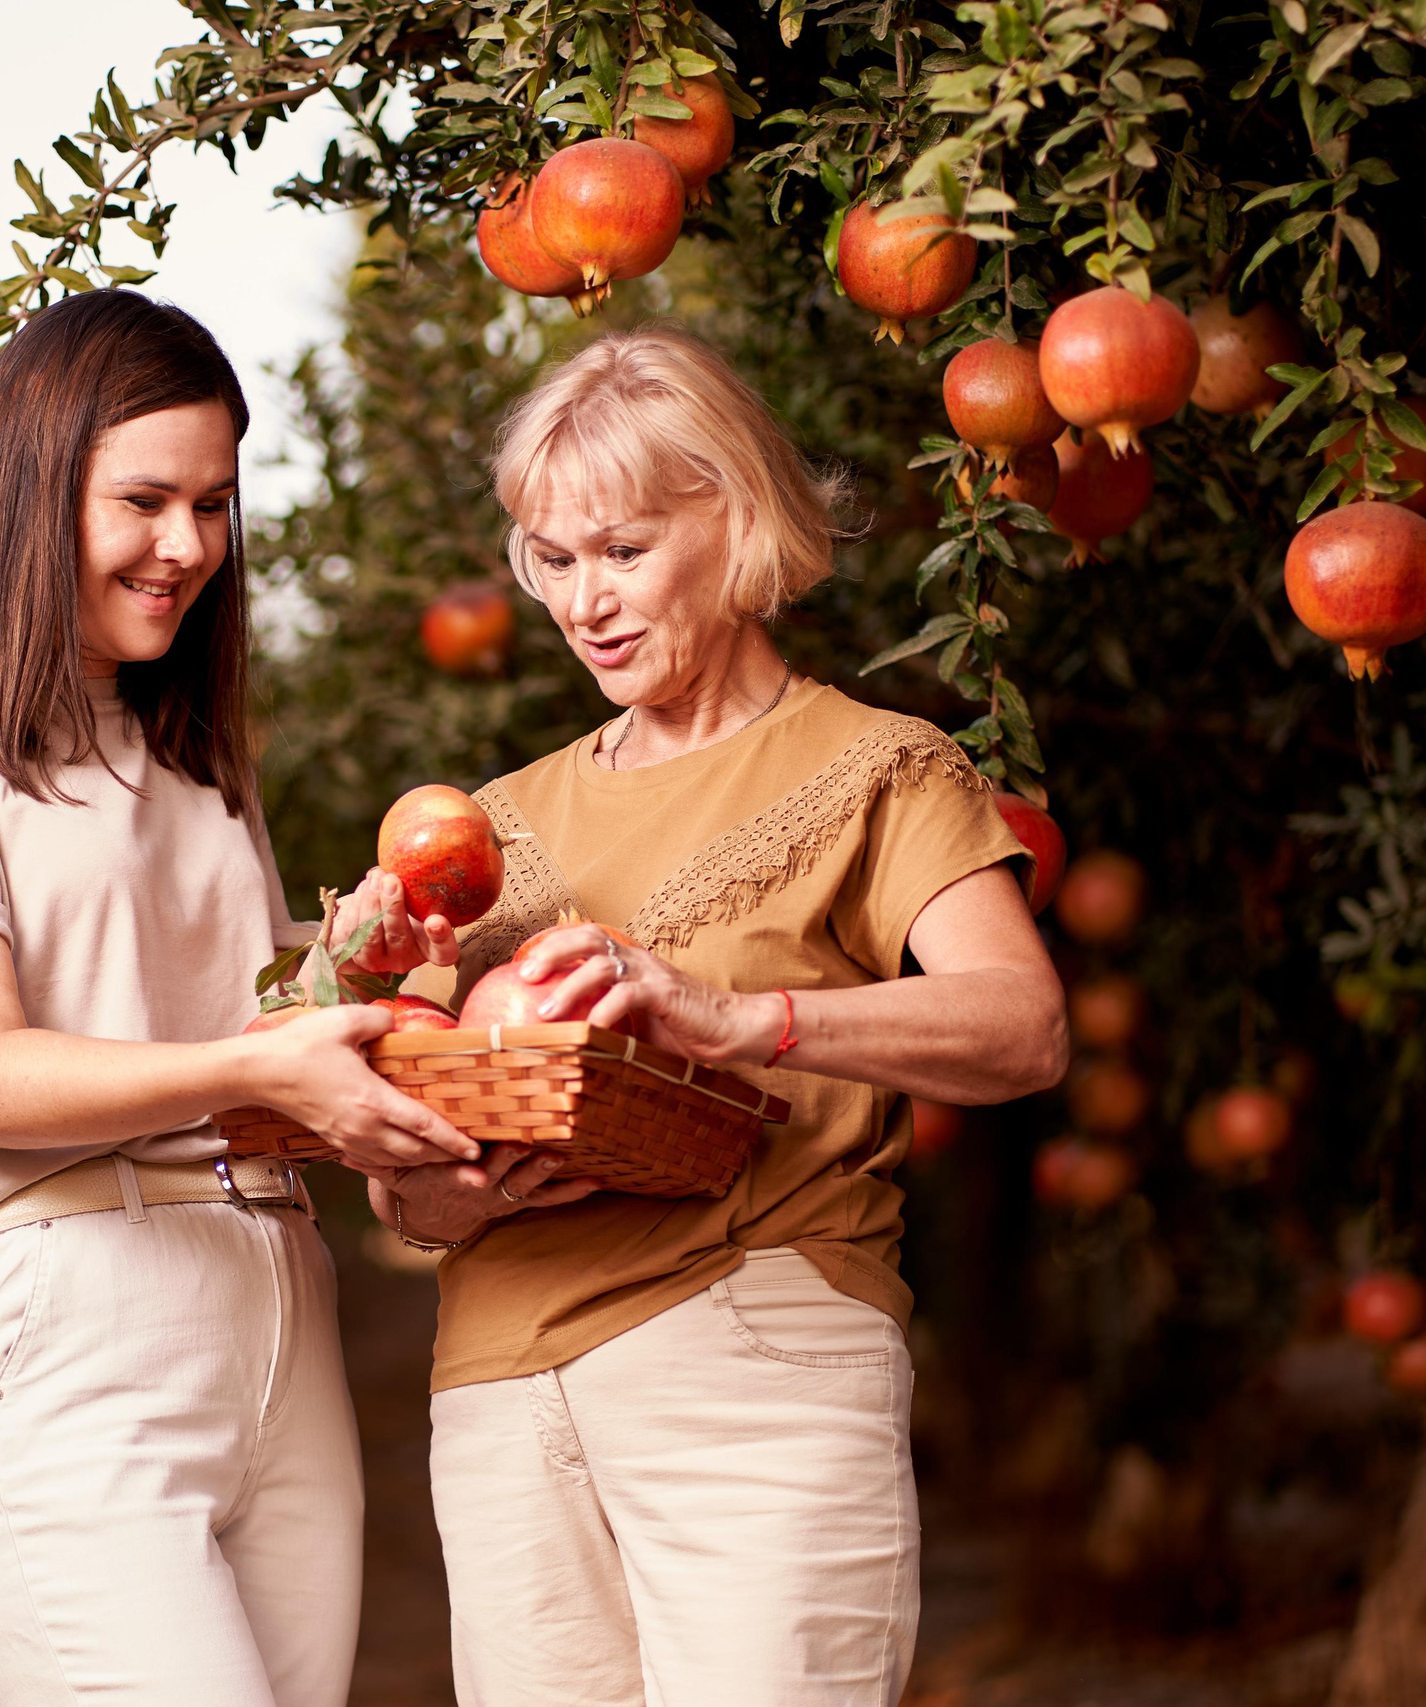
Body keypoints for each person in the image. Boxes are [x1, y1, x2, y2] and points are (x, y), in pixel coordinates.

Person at [359, 326, 1070, 1706]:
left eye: (622, 550)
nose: (585, 603)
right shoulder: (485, 832)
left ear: (735, 520)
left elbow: (1021, 1027)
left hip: (755, 1363)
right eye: (551, 561)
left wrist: (736, 1022)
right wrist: (461, 1189)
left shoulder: (879, 767)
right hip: (501, 1389)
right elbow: (407, 1201)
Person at [0, 288, 479, 1707]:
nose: (189, 546)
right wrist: (262, 1076)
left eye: (216, 505)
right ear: (32, 483)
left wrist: (355, 965)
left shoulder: (191, 756)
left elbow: (233, 1032)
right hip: (66, 1316)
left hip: (273, 1297)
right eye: (146, 500)